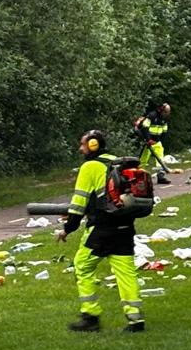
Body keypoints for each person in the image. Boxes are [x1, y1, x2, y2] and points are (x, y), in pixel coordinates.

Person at [59, 130, 145, 333]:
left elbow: (79, 201)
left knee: (82, 265)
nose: (80, 149)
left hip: (102, 228)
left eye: (83, 145)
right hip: (125, 226)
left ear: (93, 145)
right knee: (125, 272)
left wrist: (68, 228)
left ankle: (90, 316)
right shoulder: (118, 162)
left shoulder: (90, 166)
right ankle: (135, 319)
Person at [135, 102, 172, 185]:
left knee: (160, 159)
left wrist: (161, 141)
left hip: (157, 141)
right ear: (161, 110)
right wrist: (148, 140)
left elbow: (164, 131)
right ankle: (138, 178)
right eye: (165, 112)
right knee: (143, 160)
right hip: (148, 141)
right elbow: (144, 127)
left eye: (167, 113)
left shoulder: (164, 119)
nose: (166, 114)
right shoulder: (152, 116)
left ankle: (161, 176)